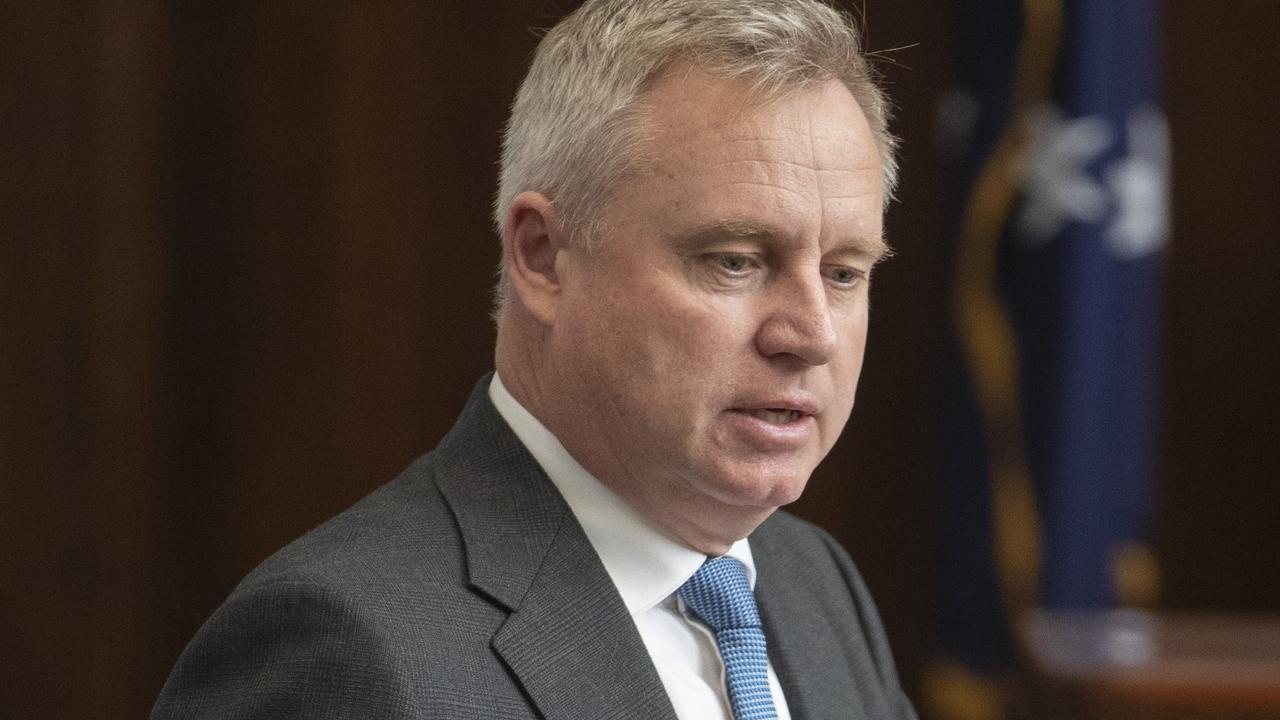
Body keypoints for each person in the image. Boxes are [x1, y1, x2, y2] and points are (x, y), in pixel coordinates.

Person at [152, 0, 917, 718]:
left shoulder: (815, 583)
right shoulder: (344, 647)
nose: (812, 334)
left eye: (845, 272)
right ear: (544, 256)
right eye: (735, 261)